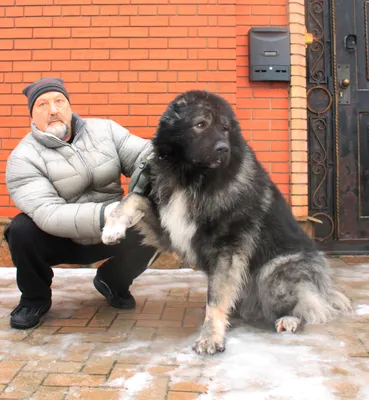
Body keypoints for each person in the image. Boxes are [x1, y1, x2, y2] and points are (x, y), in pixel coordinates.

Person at [4, 77, 157, 330]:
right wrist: (112, 214)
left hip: (112, 234)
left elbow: (144, 156)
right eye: (42, 105)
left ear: (69, 107)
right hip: (60, 240)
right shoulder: (23, 158)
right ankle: (34, 299)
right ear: (33, 116)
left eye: (59, 101)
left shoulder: (105, 131)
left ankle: (113, 281)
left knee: (157, 217)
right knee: (20, 230)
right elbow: (48, 213)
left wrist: (171, 158)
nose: (53, 110)